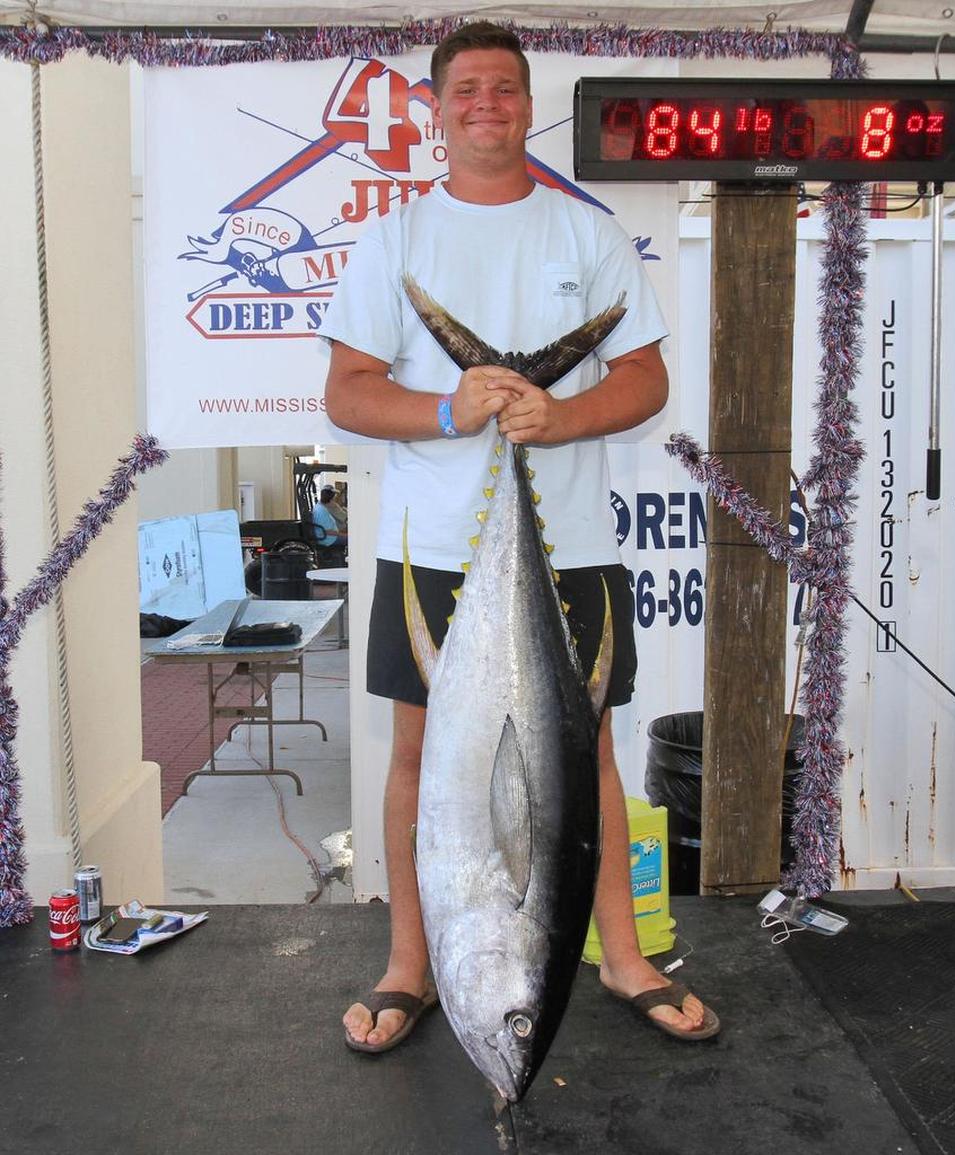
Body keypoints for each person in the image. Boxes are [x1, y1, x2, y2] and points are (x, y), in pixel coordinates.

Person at [320, 22, 717, 1052]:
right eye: (466, 89)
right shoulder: (394, 240)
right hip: (431, 548)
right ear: (436, 109)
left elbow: (644, 378)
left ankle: (624, 958)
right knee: (420, 755)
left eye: (503, 87)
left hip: (570, 543)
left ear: (526, 104)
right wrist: (451, 411)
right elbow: (350, 394)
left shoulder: (585, 235)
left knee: (586, 749)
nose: (484, 103)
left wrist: (562, 414)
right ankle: (411, 962)